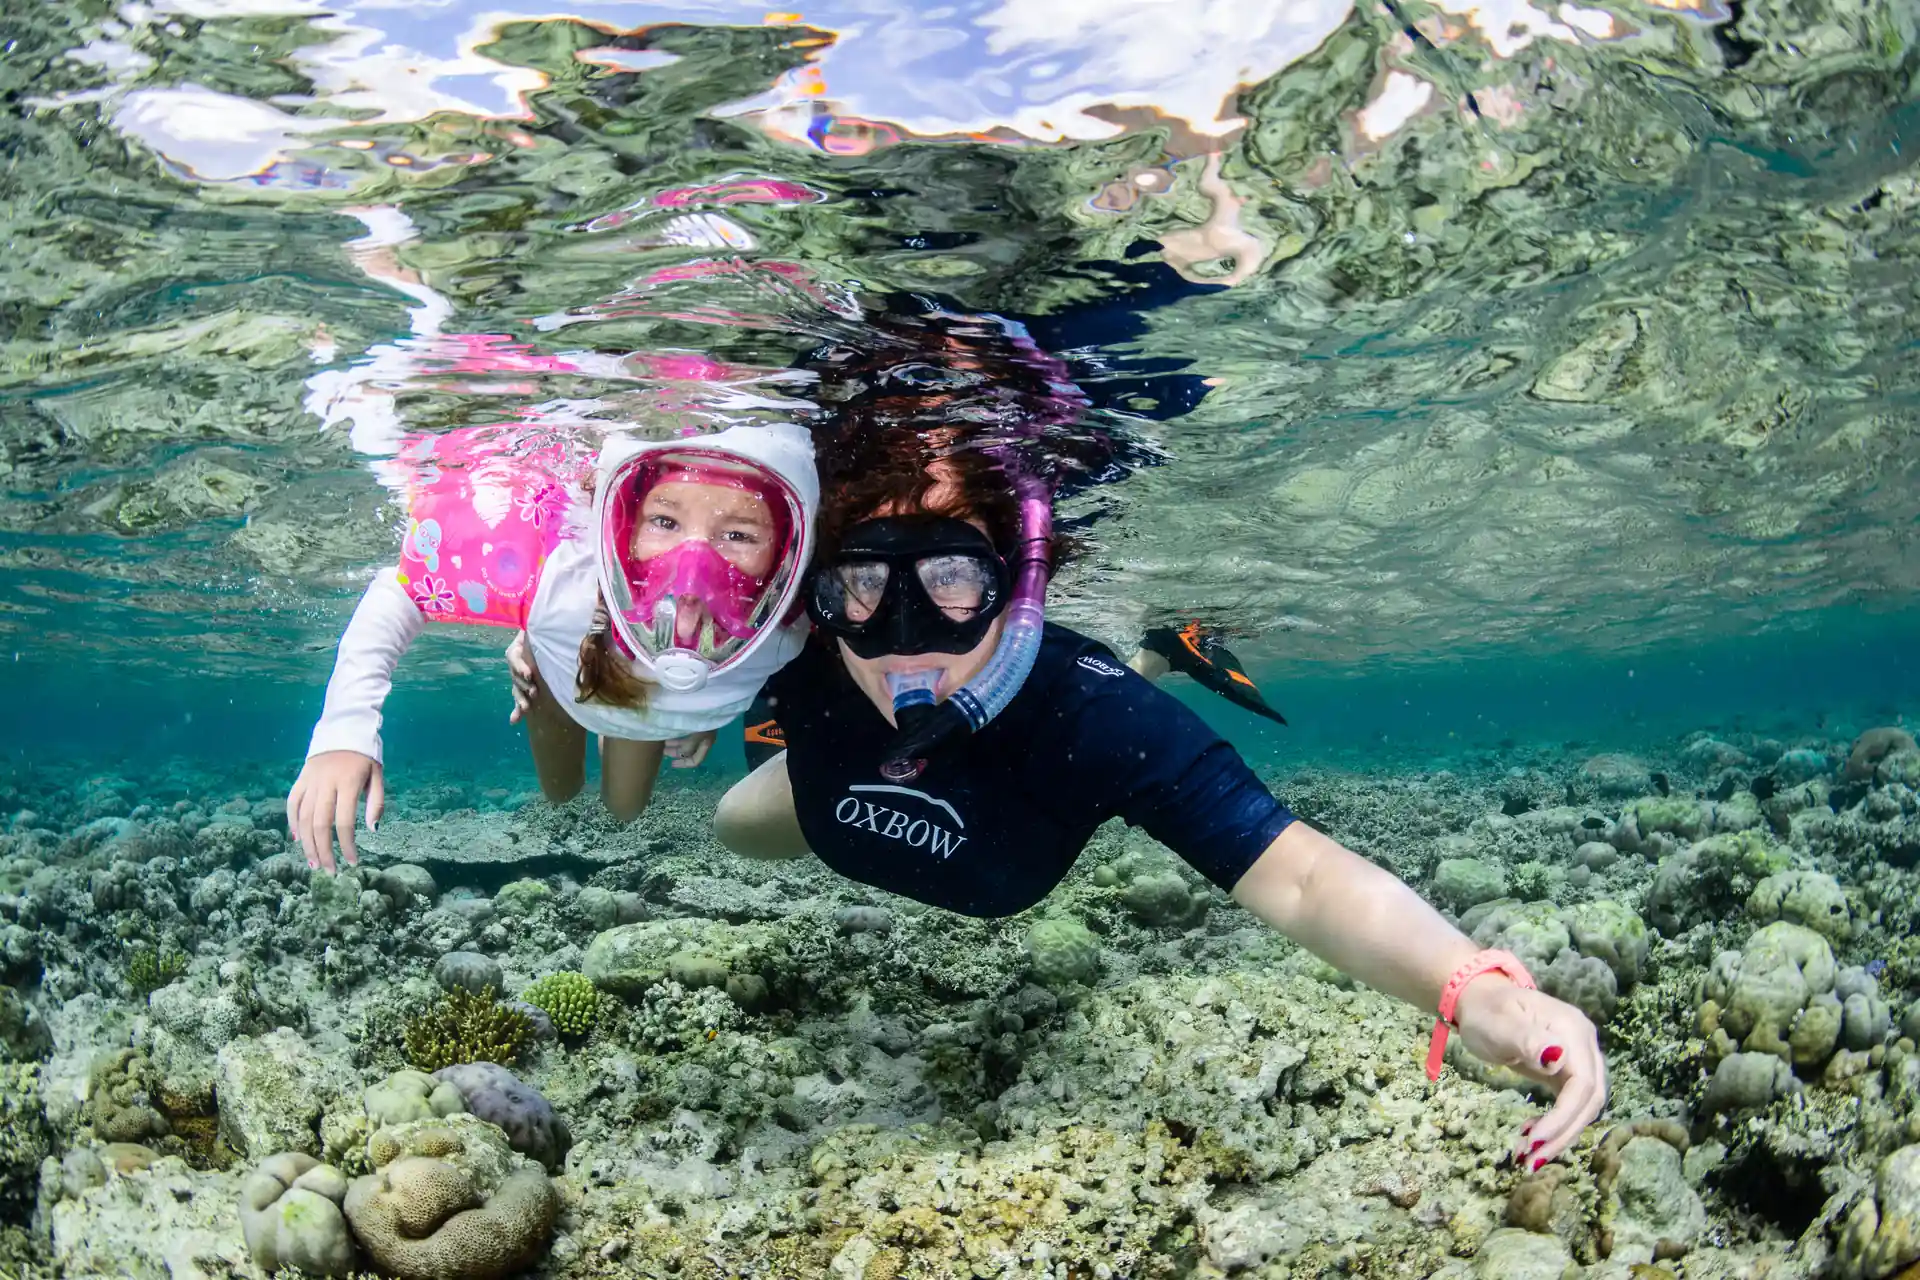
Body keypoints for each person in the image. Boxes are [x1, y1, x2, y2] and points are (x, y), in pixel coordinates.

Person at [702, 444, 1607, 1169]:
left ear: (1016, 589)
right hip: (826, 803)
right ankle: (1150, 653)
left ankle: (1162, 655)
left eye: (952, 579)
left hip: (1013, 837)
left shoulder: (1090, 712)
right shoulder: (797, 646)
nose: (905, 640)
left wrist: (1470, 985)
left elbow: (1299, 876)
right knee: (735, 828)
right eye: (861, 584)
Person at [286, 420, 818, 872]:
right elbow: (401, 591)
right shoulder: (559, 583)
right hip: (567, 686)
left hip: (639, 711)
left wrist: (705, 709)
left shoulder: (788, 630)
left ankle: (563, 660)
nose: (693, 570)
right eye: (664, 521)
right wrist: (345, 731)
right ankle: (540, 653)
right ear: (622, 528)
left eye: (739, 535)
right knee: (560, 792)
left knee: (625, 811)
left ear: (786, 553)